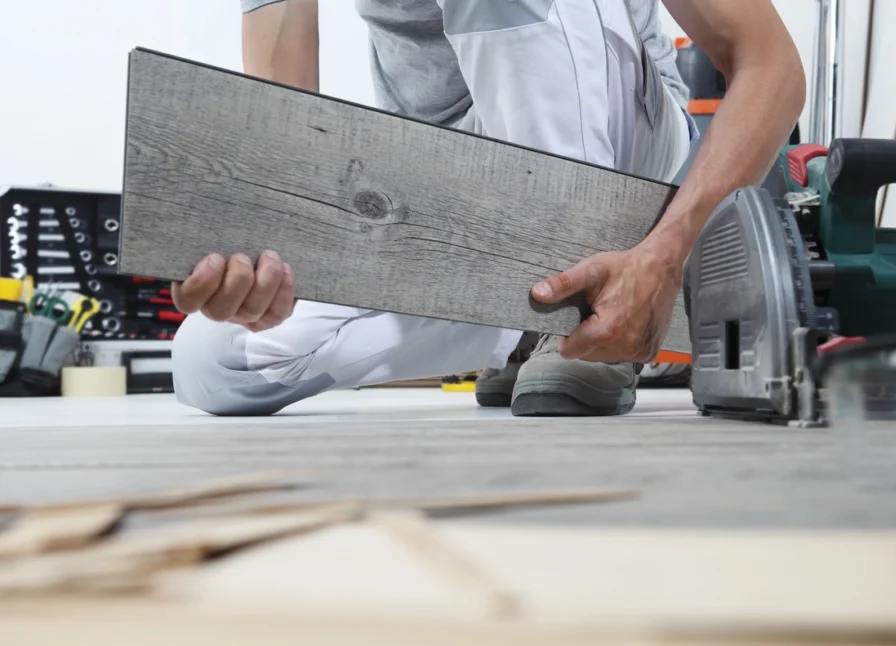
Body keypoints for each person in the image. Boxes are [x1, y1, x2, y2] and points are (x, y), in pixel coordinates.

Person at [170, 0, 805, 417]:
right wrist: (272, 267)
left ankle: (581, 306)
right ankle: (527, 319)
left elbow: (772, 65)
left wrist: (663, 258)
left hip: (627, 158)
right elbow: (289, 124)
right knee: (216, 358)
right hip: (449, 181)